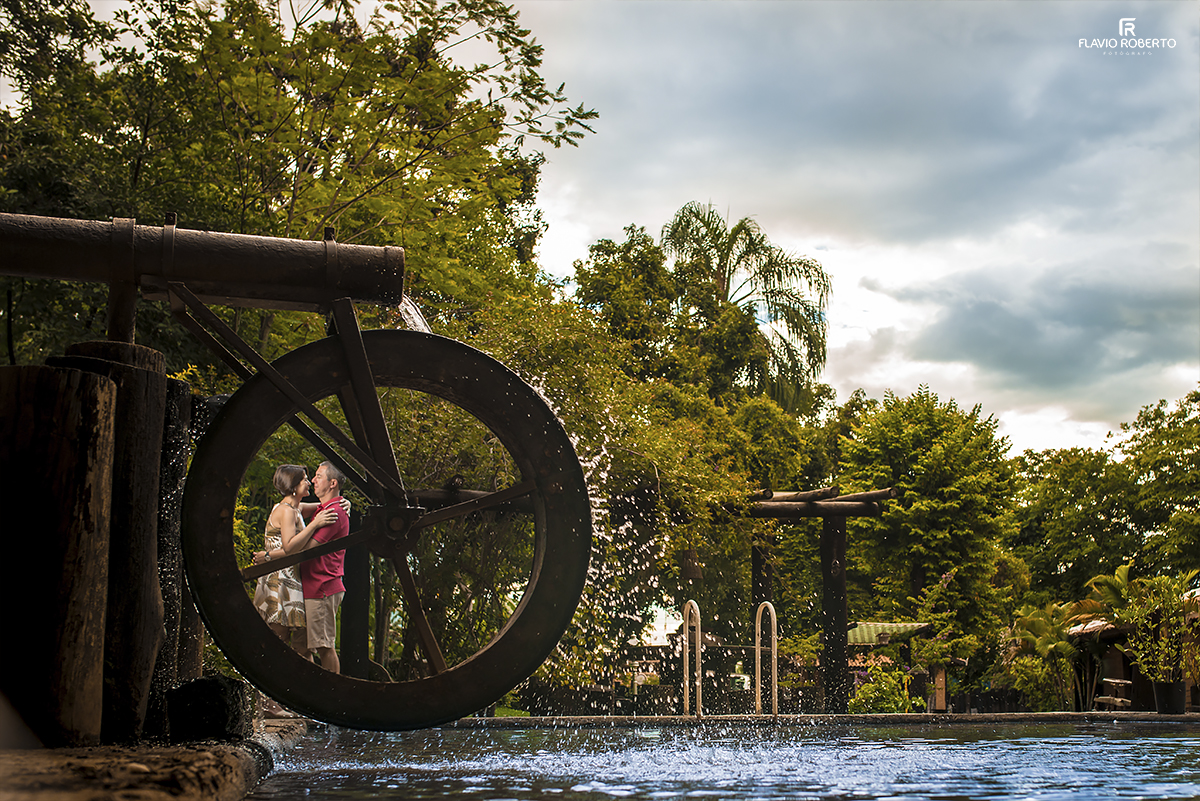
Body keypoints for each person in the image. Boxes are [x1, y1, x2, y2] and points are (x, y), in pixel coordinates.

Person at [251, 465, 336, 659]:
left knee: (298, 646)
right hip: (279, 580)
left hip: (290, 578)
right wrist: (315, 523)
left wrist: (341, 503)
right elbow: (289, 547)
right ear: (293, 485)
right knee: (277, 640)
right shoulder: (286, 511)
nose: (308, 483)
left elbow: (322, 506)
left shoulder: (295, 507)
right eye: (304, 479)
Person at [300, 460, 350, 674]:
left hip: (322, 587)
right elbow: (295, 507)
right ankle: (308, 699)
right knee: (302, 647)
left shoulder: (333, 513)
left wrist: (270, 556)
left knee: (324, 646)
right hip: (312, 585)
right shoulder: (325, 508)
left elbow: (307, 549)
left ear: (332, 483)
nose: (313, 480)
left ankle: (333, 701)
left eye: (318, 476)